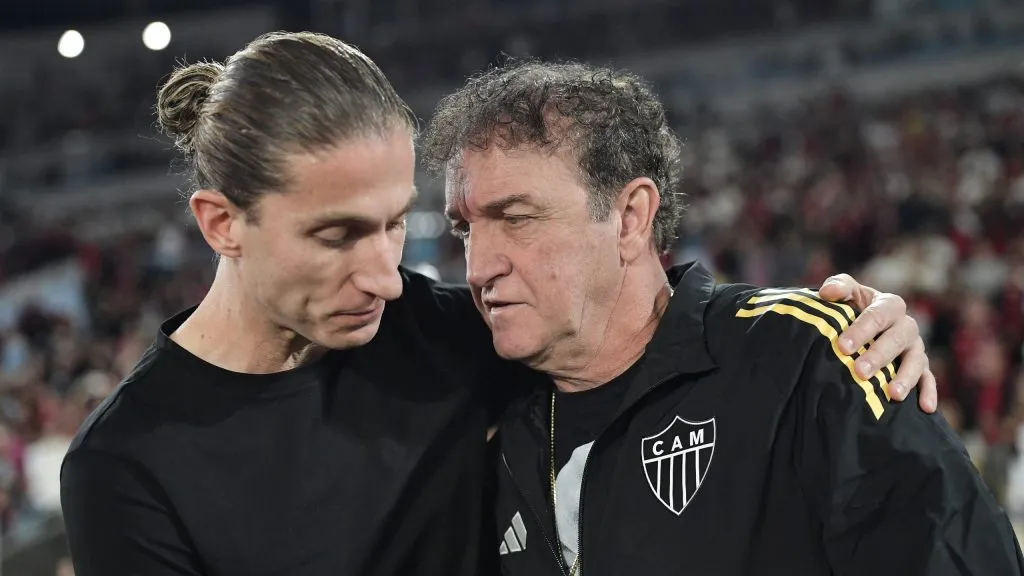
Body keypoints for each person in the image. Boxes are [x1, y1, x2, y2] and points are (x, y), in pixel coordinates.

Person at [60, 33, 936, 576]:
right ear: (222, 224)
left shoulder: (448, 335)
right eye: (336, 235)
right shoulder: (127, 468)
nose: (382, 273)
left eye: (396, 225)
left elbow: (635, 326)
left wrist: (838, 328)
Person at [421, 59, 1024, 575]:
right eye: (464, 228)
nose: (477, 267)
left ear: (630, 217)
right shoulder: (473, 408)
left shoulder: (806, 362)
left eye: (518, 219)